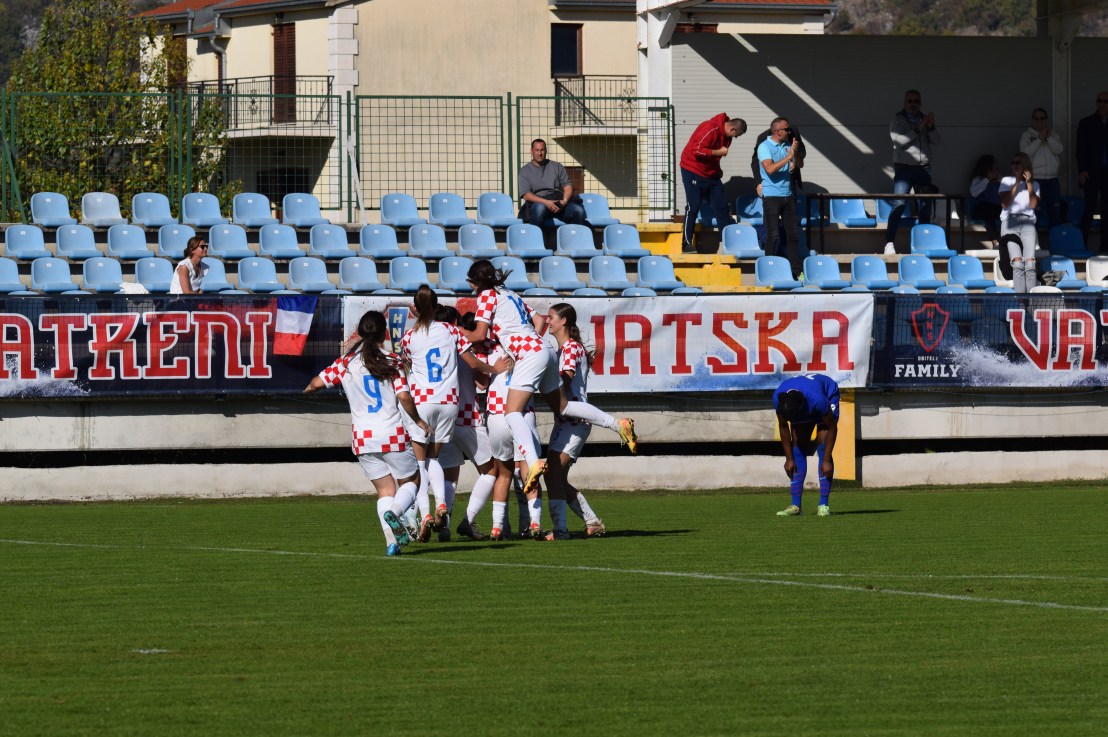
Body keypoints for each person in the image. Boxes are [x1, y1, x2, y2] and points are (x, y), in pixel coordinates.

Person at [464, 259, 638, 501]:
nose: (472, 288)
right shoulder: (509, 294)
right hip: (543, 348)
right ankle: (618, 424)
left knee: (512, 412)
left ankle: (533, 462)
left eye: (471, 283)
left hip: (530, 353)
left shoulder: (486, 296)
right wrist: (530, 343)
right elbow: (540, 322)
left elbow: (479, 334)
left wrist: (454, 333)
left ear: (475, 281)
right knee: (562, 406)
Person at [303, 310, 429, 556]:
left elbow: (316, 383)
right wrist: (418, 420)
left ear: (360, 332)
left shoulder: (345, 363)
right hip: (391, 434)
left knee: (385, 491)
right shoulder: (392, 361)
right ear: (384, 333)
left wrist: (308, 389)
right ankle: (396, 513)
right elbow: (404, 397)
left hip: (363, 439)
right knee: (412, 481)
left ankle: (392, 543)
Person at [398, 285, 503, 542]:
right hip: (451, 406)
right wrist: (494, 369)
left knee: (422, 463)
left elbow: (405, 365)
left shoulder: (409, 337)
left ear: (414, 308)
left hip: (422, 402)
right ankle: (446, 510)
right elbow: (474, 365)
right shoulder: (451, 331)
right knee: (445, 465)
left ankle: (425, 514)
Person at [543, 303, 606, 540]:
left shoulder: (570, 348)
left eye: (551, 317)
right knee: (556, 476)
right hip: (567, 420)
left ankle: (561, 529)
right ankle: (592, 522)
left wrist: (541, 379)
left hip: (575, 420)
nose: (547, 321)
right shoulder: (563, 350)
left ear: (563, 321)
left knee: (552, 473)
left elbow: (565, 379)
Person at [772, 373, 840, 517]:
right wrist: (789, 459)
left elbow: (831, 427)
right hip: (806, 401)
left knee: (822, 446)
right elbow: (783, 426)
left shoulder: (818, 400)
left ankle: (823, 505)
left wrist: (827, 460)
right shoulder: (779, 398)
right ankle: (795, 506)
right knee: (798, 449)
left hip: (827, 393)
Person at [680, 113, 746, 252]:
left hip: (710, 173)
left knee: (721, 206)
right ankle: (686, 243)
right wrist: (717, 152)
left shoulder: (727, 137)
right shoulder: (710, 128)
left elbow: (715, 157)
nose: (735, 138)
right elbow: (696, 150)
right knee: (693, 206)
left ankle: (727, 243)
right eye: (736, 135)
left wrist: (717, 170)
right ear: (732, 129)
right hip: (692, 169)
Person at [885, 90, 941, 255]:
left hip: (924, 167)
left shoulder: (925, 119)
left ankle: (923, 244)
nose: (913, 104)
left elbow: (937, 141)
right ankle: (889, 243)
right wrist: (920, 127)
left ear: (920, 103)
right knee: (899, 203)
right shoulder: (897, 119)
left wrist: (930, 126)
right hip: (904, 168)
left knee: (925, 206)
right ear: (904, 103)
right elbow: (899, 141)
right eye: (910, 101)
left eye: (916, 101)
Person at [757, 117, 803, 279]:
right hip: (771, 197)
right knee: (773, 234)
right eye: (786, 129)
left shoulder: (787, 145)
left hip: (788, 196)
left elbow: (799, 164)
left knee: (793, 235)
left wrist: (794, 154)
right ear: (777, 131)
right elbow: (769, 169)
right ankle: (769, 271)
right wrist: (788, 157)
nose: (789, 132)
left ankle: (796, 273)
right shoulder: (764, 146)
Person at [518, 138, 587, 228]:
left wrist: (564, 201)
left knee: (578, 210)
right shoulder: (525, 170)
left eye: (542, 150)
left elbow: (567, 186)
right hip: (539, 203)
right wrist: (546, 202)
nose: (540, 153)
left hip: (558, 202)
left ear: (546, 150)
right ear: (531, 151)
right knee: (539, 209)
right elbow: (526, 195)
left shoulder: (557, 166)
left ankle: (572, 236)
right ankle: (537, 237)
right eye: (537, 150)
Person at [999, 152, 1040, 293]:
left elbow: (1033, 204)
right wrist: (1017, 182)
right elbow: (1005, 203)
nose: (1015, 166)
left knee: (1030, 264)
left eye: (1018, 163)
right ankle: (1020, 301)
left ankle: (1032, 301)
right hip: (1010, 221)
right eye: (1013, 163)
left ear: (1025, 165)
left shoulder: (1035, 184)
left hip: (1028, 222)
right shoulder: (1006, 180)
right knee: (1017, 263)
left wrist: (1028, 183)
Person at [1019, 107, 1063, 227]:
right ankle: (1033, 239)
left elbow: (1059, 149)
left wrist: (1048, 138)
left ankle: (1055, 239)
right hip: (1035, 180)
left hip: (1052, 180)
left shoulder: (1053, 135)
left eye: (1042, 118)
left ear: (1046, 120)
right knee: (1035, 214)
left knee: (1055, 213)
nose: (1039, 121)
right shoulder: (1027, 135)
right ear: (1032, 120)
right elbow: (1024, 153)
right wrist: (1039, 139)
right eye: (1036, 118)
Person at [1075, 91, 1108, 250]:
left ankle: (1105, 247)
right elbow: (1080, 149)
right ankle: (1082, 246)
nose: (1102, 104)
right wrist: (1082, 170)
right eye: (1099, 101)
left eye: (1105, 101)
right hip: (1091, 173)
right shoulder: (1086, 123)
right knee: (1089, 209)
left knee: (1106, 211)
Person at [968, 155, 1001, 246]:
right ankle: (995, 240)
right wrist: (987, 179)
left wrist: (1000, 180)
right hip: (981, 208)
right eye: (994, 163)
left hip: (995, 208)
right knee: (987, 213)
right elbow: (974, 193)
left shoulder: (999, 179)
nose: (996, 166)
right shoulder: (978, 179)